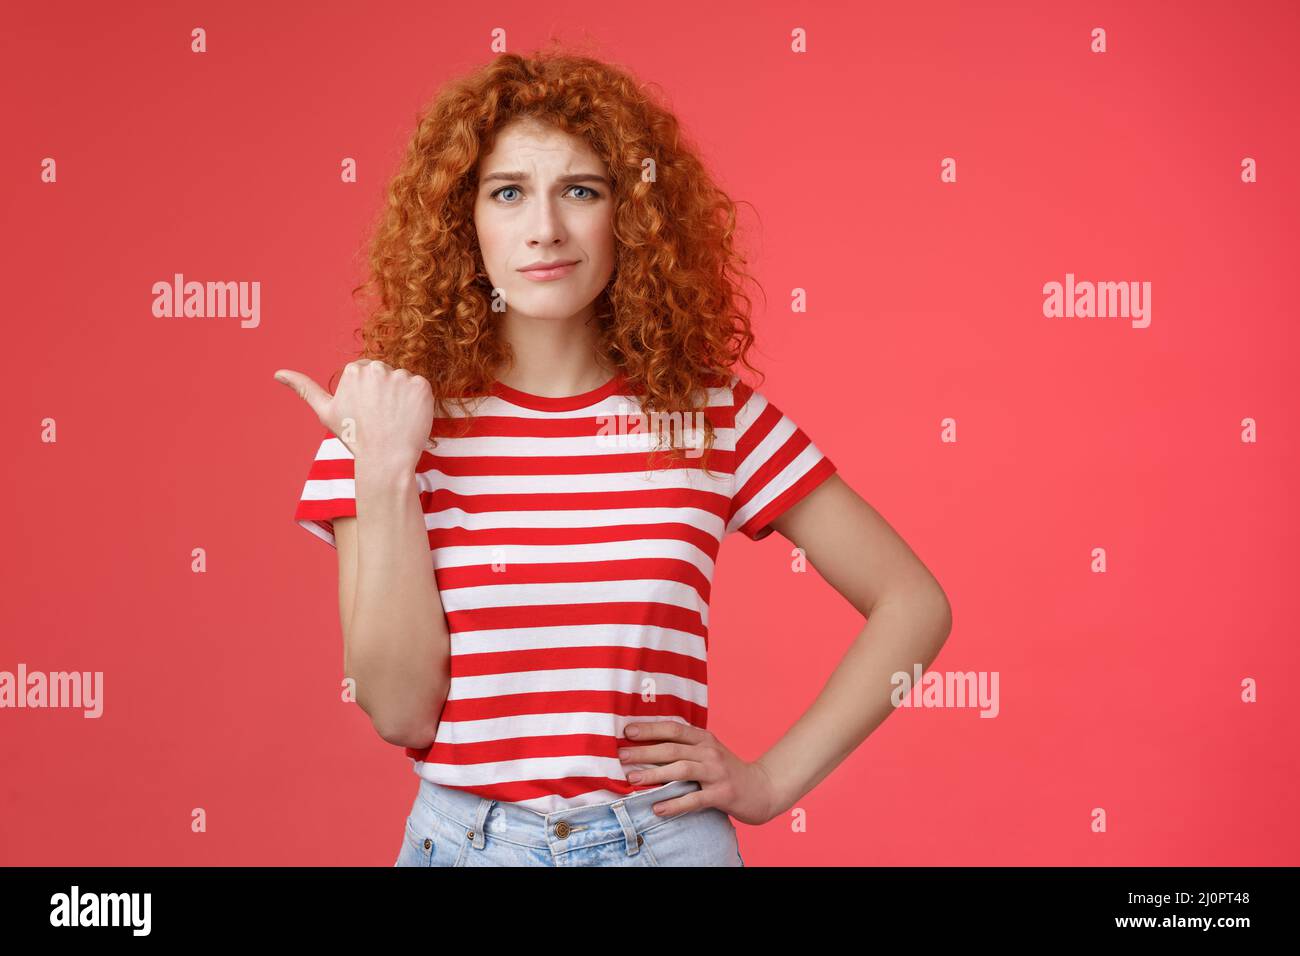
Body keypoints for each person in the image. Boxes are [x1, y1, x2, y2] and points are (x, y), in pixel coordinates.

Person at [273, 49, 952, 867]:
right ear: (464, 217)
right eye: (509, 191)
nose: (545, 228)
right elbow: (401, 715)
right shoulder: (388, 424)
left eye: (581, 191)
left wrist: (771, 782)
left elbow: (913, 603)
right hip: (463, 845)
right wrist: (383, 471)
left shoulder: (710, 417)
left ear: (630, 217)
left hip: (665, 843)